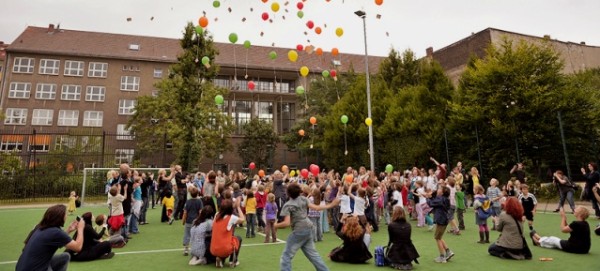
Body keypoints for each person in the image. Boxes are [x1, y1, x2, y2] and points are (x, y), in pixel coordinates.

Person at [275, 183, 341, 271]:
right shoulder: (303, 199)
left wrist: (275, 225)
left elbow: (287, 223)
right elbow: (317, 208)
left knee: (286, 256)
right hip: (309, 228)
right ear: (299, 192)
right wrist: (332, 204)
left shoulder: (288, 205)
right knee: (313, 255)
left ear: (288, 193)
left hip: (299, 231)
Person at [16, 204, 85, 271]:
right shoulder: (55, 232)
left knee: (65, 257)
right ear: (60, 217)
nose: (66, 216)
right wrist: (80, 229)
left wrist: (69, 230)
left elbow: (54, 239)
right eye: (65, 214)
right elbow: (77, 247)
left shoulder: (40, 226)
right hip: (35, 268)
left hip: (21, 267)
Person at [210, 199, 245, 268]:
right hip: (224, 248)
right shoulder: (231, 218)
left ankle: (220, 259)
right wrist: (238, 207)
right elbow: (242, 219)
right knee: (237, 239)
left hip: (213, 248)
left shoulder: (217, 215)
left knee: (226, 241)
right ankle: (232, 260)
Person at [427, 185, 454, 263]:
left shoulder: (440, 199)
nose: (437, 189)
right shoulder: (443, 199)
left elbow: (431, 203)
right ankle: (448, 252)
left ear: (442, 192)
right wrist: (430, 197)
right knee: (439, 237)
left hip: (441, 220)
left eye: (439, 189)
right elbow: (434, 201)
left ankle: (442, 257)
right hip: (444, 220)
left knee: (437, 238)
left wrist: (427, 198)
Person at [182, 186, 203, 256]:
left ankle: (186, 249)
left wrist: (183, 221)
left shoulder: (188, 202)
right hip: (196, 221)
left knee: (187, 234)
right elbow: (200, 212)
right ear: (197, 194)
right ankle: (196, 249)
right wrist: (200, 220)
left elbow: (185, 212)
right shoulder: (199, 201)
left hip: (188, 221)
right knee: (196, 235)